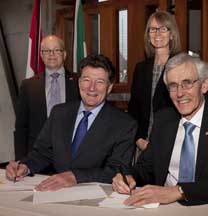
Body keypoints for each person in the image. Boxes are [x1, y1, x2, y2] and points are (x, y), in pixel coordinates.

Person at [112, 53, 208, 206]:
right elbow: (147, 166)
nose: (179, 93)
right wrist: (130, 177)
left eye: (187, 83)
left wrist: (179, 191)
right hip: (163, 209)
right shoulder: (164, 119)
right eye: (173, 85)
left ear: (204, 85)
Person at [6, 54, 137, 191]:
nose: (92, 88)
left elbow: (117, 170)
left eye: (99, 82)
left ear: (109, 87)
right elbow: (42, 152)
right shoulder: (59, 113)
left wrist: (75, 176)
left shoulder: (124, 124)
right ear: (79, 82)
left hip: (95, 197)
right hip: (54, 192)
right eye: (86, 80)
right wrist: (24, 166)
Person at [14, 35, 79, 161]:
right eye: (47, 51)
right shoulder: (28, 85)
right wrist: (20, 159)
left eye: (56, 50)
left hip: (70, 154)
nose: (51, 54)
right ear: (41, 55)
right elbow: (21, 126)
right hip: (36, 154)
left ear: (64, 54)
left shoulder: (78, 82)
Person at [128, 10, 181, 155]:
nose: (157, 33)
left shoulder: (181, 66)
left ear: (172, 34)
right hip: (142, 144)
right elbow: (134, 107)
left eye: (163, 28)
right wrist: (138, 138)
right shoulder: (141, 68)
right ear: (148, 34)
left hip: (171, 144)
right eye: (152, 29)